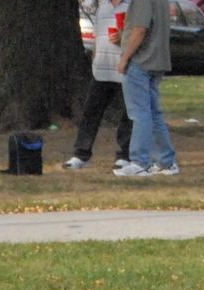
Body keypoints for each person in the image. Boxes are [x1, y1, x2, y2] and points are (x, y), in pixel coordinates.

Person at [63, 0, 130, 171]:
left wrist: (124, 38)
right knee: (91, 111)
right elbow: (97, 38)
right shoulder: (103, 8)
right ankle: (81, 154)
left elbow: (140, 34)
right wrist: (94, 59)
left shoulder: (133, 5)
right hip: (101, 70)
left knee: (128, 114)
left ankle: (125, 155)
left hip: (125, 69)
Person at [115, 0, 175, 177]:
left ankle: (140, 161)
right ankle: (166, 161)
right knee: (154, 113)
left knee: (139, 113)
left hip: (140, 61)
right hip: (157, 60)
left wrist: (125, 58)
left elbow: (140, 29)